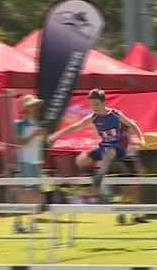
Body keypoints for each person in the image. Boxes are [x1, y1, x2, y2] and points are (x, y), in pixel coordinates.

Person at [47, 89, 145, 202]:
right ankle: (88, 183)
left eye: (96, 104)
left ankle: (97, 185)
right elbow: (74, 127)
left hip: (119, 148)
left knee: (109, 152)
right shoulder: (93, 118)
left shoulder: (116, 114)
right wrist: (55, 135)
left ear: (103, 103)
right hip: (103, 146)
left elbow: (133, 125)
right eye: (92, 105)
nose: (94, 107)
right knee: (80, 160)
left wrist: (141, 139)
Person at [13, 94, 46, 233]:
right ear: (26, 108)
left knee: (35, 193)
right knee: (27, 192)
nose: (35, 108)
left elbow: (40, 144)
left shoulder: (36, 123)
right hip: (25, 161)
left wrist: (43, 136)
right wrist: (33, 135)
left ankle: (31, 222)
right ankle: (18, 222)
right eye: (32, 106)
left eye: (35, 105)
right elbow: (18, 143)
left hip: (36, 162)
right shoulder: (19, 124)